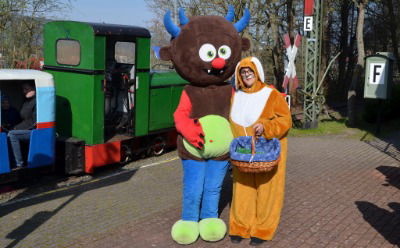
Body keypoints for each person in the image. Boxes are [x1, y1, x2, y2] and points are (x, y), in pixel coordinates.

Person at [229, 57, 292, 246]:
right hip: (243, 153)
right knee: (242, 189)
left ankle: (263, 228)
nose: (246, 75)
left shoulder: (270, 94)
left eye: (250, 71)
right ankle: (240, 226)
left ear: (257, 73)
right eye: (243, 72)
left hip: (267, 152)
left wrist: (265, 127)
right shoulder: (235, 95)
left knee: (267, 190)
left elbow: (285, 120)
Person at [8, 83, 36, 168]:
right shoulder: (26, 102)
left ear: (34, 89)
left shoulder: (36, 102)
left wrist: (16, 129)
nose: (24, 91)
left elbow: (34, 123)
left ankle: (19, 164)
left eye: (26, 89)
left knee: (12, 134)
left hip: (34, 131)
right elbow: (24, 119)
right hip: (26, 128)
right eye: (23, 89)